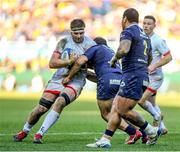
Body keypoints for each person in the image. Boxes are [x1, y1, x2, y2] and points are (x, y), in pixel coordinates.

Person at [86, 8, 161, 148]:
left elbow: (124, 49)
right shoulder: (144, 35)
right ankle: (105, 139)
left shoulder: (128, 31)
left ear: (124, 19)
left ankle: (151, 130)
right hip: (140, 75)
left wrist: (114, 58)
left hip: (132, 75)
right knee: (116, 107)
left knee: (123, 110)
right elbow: (149, 57)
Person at [13, 19, 96, 143]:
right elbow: (52, 63)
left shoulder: (91, 45)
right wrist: (69, 62)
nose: (79, 36)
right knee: (41, 108)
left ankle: (39, 134)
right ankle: (24, 131)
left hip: (76, 81)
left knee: (60, 101)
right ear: (70, 31)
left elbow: (95, 65)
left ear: (84, 31)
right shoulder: (63, 42)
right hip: (58, 78)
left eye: (81, 33)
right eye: (75, 33)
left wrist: (83, 65)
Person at [63, 37, 144, 145]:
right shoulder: (110, 53)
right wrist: (86, 73)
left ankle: (134, 132)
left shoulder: (96, 47)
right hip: (120, 80)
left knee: (106, 113)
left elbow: (80, 62)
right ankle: (145, 133)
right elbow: (99, 77)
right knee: (121, 111)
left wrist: (69, 77)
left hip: (107, 81)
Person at [138, 15, 172, 135]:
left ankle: (157, 117)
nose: (146, 26)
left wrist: (154, 65)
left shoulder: (157, 40)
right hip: (146, 76)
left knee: (141, 101)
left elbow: (169, 57)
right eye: (145, 23)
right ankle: (162, 128)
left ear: (154, 26)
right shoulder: (141, 38)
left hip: (155, 77)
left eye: (149, 24)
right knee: (152, 103)